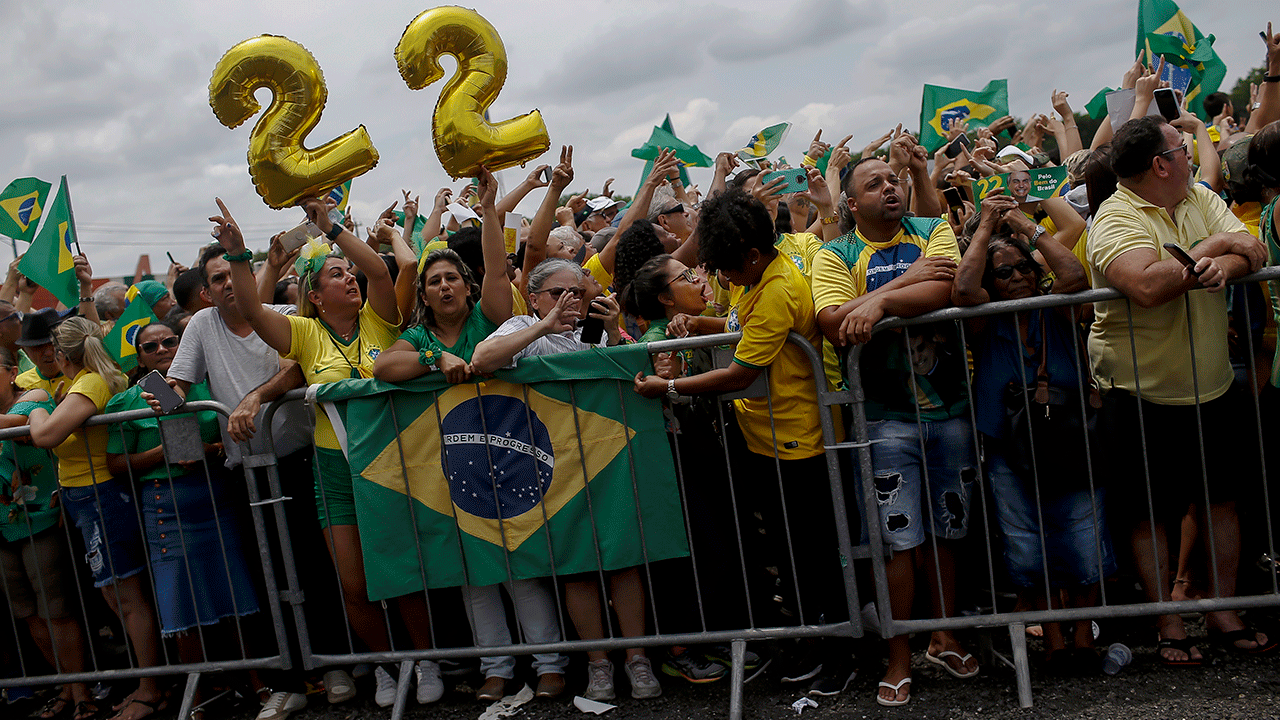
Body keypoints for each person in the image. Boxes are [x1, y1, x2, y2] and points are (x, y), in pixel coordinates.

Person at [207, 195, 443, 707]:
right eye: (337, 275)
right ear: (314, 295)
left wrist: (331, 229)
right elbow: (250, 309)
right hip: (335, 469)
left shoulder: (382, 320)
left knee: (400, 572)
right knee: (354, 583)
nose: (350, 278)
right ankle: (385, 665)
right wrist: (241, 255)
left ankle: (423, 660)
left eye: (349, 273)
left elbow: (382, 270)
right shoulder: (305, 335)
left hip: (394, 462)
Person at [633, 189, 852, 696]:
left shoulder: (775, 289)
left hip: (800, 445)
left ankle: (836, 655)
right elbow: (739, 330)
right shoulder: (754, 280)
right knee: (791, 556)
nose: (721, 281)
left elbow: (738, 373)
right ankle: (809, 640)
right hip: (767, 442)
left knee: (814, 557)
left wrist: (666, 386)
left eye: (726, 270)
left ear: (752, 256)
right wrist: (701, 325)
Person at [374, 171, 571, 702]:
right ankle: (497, 668)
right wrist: (437, 358)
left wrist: (489, 214)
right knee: (473, 572)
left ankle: (550, 663)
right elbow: (385, 368)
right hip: (454, 465)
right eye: (433, 281)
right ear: (424, 294)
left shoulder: (490, 317)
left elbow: (494, 270)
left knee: (520, 564)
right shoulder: (416, 336)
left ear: (466, 285)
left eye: (451, 279)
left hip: (512, 453)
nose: (443, 286)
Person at [1087, 115, 1272, 665]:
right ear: (1159, 165)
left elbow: (1252, 246)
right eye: (1182, 147)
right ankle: (1169, 621)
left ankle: (1221, 609)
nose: (1193, 151)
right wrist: (1213, 250)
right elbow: (1145, 284)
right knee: (1149, 513)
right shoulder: (1112, 219)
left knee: (1221, 501)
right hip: (1139, 392)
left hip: (1211, 385)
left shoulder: (1197, 196)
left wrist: (1219, 257)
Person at [811, 149, 977, 707]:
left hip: (950, 410)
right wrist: (902, 283)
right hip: (882, 419)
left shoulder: (932, 228)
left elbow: (946, 291)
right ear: (850, 203)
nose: (890, 187)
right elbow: (833, 323)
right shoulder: (835, 253)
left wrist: (875, 308)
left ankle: (945, 636)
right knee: (896, 540)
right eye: (874, 183)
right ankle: (899, 655)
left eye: (894, 178)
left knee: (948, 530)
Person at [470, 259, 650, 702]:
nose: (572, 301)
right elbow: (482, 360)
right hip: (556, 466)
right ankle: (598, 663)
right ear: (533, 299)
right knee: (576, 567)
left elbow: (634, 374)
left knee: (623, 559)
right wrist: (544, 324)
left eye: (578, 292)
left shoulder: (599, 325)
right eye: (557, 294)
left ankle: (638, 659)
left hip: (609, 459)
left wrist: (611, 334)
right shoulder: (521, 326)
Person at [952, 194, 1116, 669]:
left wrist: (1026, 225)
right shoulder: (984, 315)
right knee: (1025, 542)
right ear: (992, 283)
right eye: (1004, 273)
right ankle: (1053, 644)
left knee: (1082, 536)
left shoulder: (1057, 304)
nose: (1019, 277)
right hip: (1007, 442)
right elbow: (963, 290)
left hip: (1071, 434)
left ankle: (1083, 637)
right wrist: (984, 228)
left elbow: (1072, 274)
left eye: (1025, 268)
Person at [163, 242, 326, 720]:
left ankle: (337, 667)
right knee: (267, 576)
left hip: (302, 459)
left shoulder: (279, 313)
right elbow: (174, 387)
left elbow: (296, 368)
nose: (228, 284)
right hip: (245, 473)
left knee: (317, 566)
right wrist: (160, 394)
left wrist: (253, 398)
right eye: (216, 280)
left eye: (233, 273)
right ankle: (288, 682)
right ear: (207, 293)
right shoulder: (199, 326)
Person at [105, 321, 261, 711]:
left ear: (182, 343)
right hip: (165, 508)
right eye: (150, 346)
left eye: (169, 341)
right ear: (139, 357)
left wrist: (210, 450)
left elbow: (234, 437)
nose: (161, 349)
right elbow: (115, 463)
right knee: (180, 600)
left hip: (215, 498)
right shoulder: (127, 400)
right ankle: (200, 695)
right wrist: (163, 454)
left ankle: (255, 680)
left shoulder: (213, 385)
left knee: (235, 587)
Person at [20, 317, 166, 720]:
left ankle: (151, 688)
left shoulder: (89, 384)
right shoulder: (88, 380)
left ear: (63, 354)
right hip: (83, 497)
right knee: (115, 597)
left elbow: (46, 435)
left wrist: (35, 410)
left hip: (101, 496)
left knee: (126, 598)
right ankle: (148, 682)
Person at [0, 347, 97, 720]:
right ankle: (66, 689)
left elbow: (14, 425)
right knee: (27, 612)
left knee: (54, 608)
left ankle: (83, 691)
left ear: (11, 372)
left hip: (40, 518)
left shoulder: (34, 397)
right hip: (2, 525)